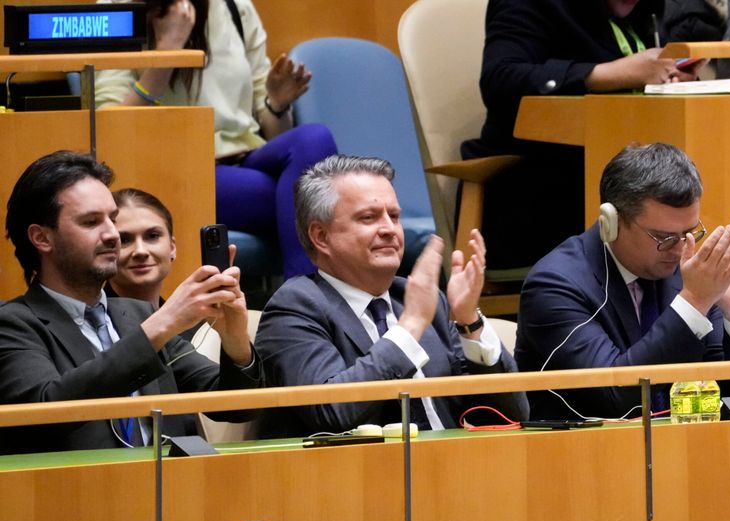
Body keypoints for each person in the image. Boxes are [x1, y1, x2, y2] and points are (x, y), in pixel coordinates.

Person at [0, 150, 262, 454]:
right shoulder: (14, 324)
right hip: (75, 494)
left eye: (111, 219)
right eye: (90, 222)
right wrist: (161, 325)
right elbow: (46, 410)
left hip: (170, 491)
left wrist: (236, 343)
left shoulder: (138, 315)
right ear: (42, 238)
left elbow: (235, 408)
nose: (112, 234)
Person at [254, 155, 529, 437]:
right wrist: (409, 327)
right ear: (321, 236)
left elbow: (512, 415)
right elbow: (332, 412)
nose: (389, 229)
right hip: (360, 475)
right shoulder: (294, 308)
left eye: (394, 216)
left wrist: (469, 322)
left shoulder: (421, 300)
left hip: (452, 468)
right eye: (368, 217)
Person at [514, 142, 730, 420]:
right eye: (663, 237)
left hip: (682, 454)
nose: (679, 249)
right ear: (610, 223)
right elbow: (616, 401)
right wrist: (694, 302)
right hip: (583, 455)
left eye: (689, 232)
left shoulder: (685, 274)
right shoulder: (554, 286)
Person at [95, 0, 338, 279]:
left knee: (314, 138)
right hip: (172, 168)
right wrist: (168, 52)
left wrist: (277, 104)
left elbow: (271, 130)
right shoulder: (117, 8)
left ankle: (306, 297)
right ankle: (311, 294)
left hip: (244, 158)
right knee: (313, 198)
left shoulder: (235, 6)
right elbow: (111, 130)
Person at [463, 0, 707, 270]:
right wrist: (608, 74)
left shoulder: (650, 8)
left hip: (629, 189)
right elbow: (500, 80)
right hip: (540, 197)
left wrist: (671, 77)